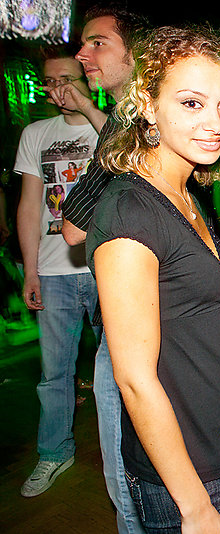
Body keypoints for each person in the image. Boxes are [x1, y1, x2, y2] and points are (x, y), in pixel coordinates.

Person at [85, 25, 220, 533]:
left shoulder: (186, 194)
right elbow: (134, 379)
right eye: (191, 103)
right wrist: (193, 504)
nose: (215, 123)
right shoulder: (131, 210)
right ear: (148, 107)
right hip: (185, 470)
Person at [60, 5, 150, 533]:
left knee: (127, 475)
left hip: (133, 318)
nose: (82, 54)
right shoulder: (140, 117)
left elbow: (73, 227)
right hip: (173, 311)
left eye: (97, 43)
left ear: (135, 54)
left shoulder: (131, 120)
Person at [14, 46, 102, 498]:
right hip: (53, 270)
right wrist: (30, 270)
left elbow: (133, 157)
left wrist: (87, 107)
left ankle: (128, 453)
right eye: (51, 82)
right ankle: (54, 452)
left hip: (107, 267)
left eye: (68, 79)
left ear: (88, 79)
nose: (59, 90)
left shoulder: (111, 126)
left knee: (120, 371)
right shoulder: (35, 134)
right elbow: (30, 206)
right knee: (54, 375)